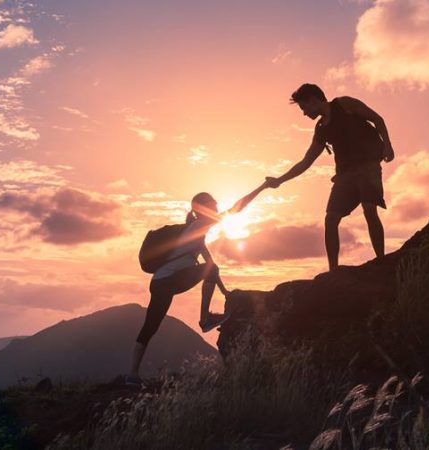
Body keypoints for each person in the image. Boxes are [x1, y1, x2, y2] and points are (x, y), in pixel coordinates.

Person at [126, 183, 267, 388]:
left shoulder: (196, 234)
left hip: (160, 282)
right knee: (151, 326)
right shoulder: (200, 224)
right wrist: (262, 187)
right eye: (213, 202)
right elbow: (236, 209)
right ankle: (204, 319)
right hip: (168, 282)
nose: (217, 205)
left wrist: (224, 291)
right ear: (203, 208)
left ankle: (132, 374)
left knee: (150, 327)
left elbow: (211, 266)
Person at [265, 83, 395, 271]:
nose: (303, 113)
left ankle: (381, 261)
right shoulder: (321, 129)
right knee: (331, 219)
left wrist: (388, 145)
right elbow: (306, 162)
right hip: (344, 176)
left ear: (313, 100)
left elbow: (377, 119)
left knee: (369, 209)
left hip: (368, 165)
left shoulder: (345, 104)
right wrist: (279, 180)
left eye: (303, 107)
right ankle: (333, 271)